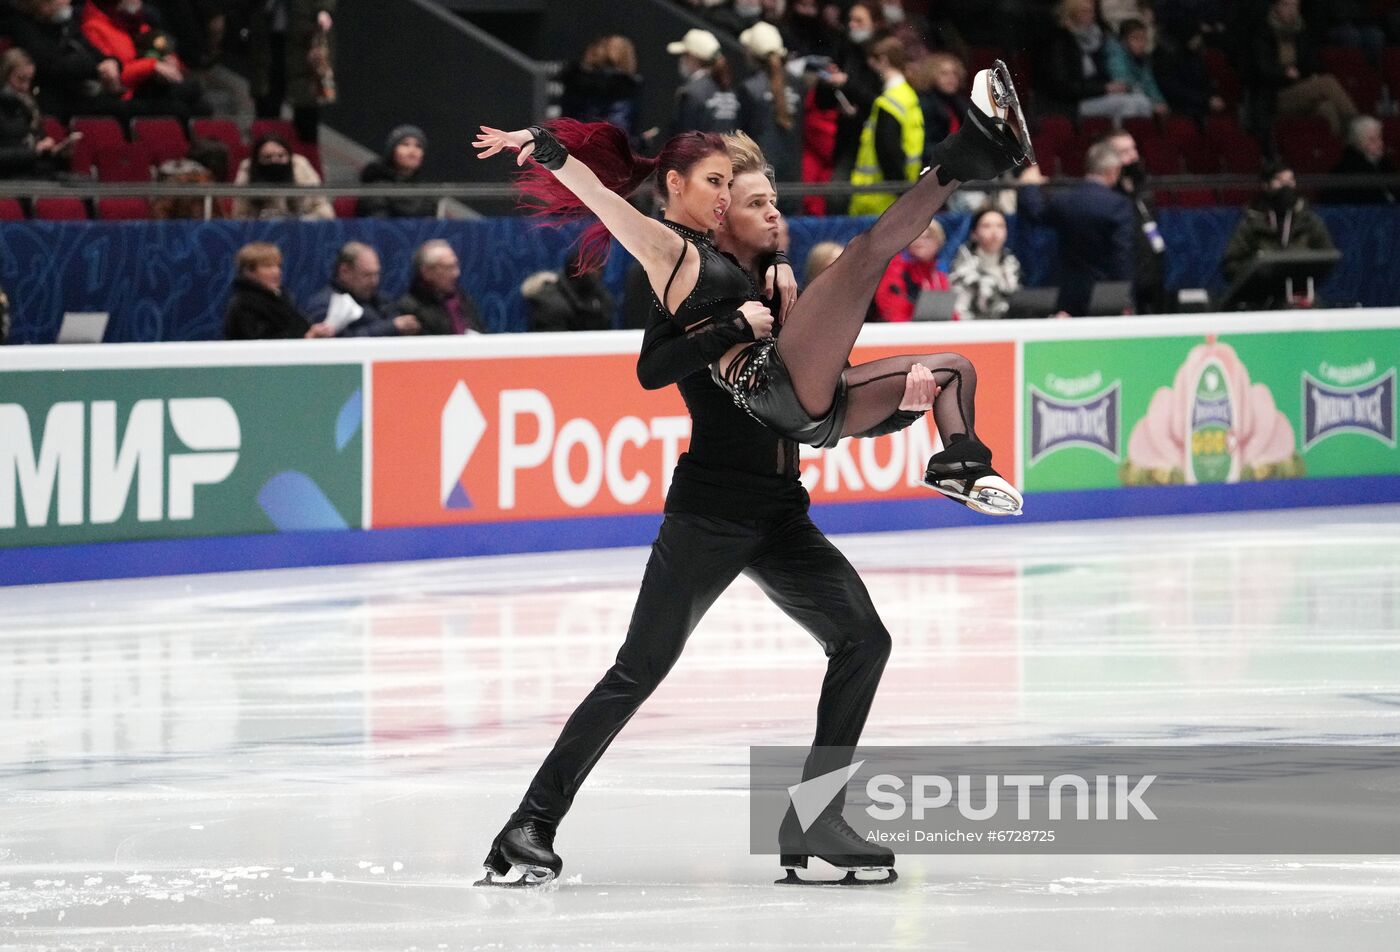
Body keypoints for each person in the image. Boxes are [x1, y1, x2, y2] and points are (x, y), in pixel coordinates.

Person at [472, 64, 1032, 886]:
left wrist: (901, 406)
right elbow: (610, 212)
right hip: (712, 512)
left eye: (749, 188)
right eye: (725, 185)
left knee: (863, 640)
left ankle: (812, 824)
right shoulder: (684, 262)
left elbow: (819, 423)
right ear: (690, 196)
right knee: (639, 669)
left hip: (780, 502)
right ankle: (526, 826)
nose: (746, 197)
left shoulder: (768, 281)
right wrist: (551, 150)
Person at [1018, 142, 1137, 316]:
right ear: (1113, 170)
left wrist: (1029, 187)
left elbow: (1036, 213)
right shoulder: (1118, 205)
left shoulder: (1065, 200)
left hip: (1069, 292)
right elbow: (1122, 255)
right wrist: (1126, 296)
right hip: (1106, 295)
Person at [1222, 160, 1336, 309]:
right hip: (1260, 301)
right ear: (1266, 185)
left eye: (1290, 180)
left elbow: (1327, 257)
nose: (1286, 186)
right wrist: (1258, 272)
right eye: (1279, 181)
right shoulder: (1252, 223)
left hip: (1302, 298)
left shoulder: (1309, 221)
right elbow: (1231, 265)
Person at [79, 0, 210, 119]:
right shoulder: (95, 28)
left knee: (196, 97)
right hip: (127, 93)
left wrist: (172, 63)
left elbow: (163, 53)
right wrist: (152, 66)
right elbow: (116, 75)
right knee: (178, 109)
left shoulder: (140, 26)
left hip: (152, 87)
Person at [1247, 0, 1357, 137]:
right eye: (1286, 5)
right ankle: (1358, 127)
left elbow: (1312, 63)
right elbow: (1261, 68)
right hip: (1274, 95)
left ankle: (1336, 148)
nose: (1292, 10)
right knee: (1327, 83)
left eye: (1295, 5)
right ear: (1275, 7)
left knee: (1326, 107)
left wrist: (1306, 73)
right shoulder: (1262, 32)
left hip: (1300, 89)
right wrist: (1284, 73)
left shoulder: (1301, 30)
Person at [5, 0, 129, 120]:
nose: (68, 2)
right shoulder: (22, 26)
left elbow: (94, 53)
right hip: (52, 98)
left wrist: (111, 63)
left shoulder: (67, 25)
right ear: (42, 3)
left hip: (80, 92)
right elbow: (50, 65)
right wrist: (96, 69)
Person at [1039, 0, 1155, 121]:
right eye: (1085, 11)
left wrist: (1112, 87)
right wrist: (1104, 88)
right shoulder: (1060, 42)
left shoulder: (1097, 38)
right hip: (1073, 102)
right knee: (1130, 105)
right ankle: (1116, 137)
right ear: (1072, 13)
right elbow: (1063, 86)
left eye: (1092, 11)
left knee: (1142, 101)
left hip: (1096, 94)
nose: (1091, 16)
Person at [848, 35, 924, 216]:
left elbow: (888, 150)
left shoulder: (889, 102)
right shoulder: (908, 96)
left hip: (878, 199)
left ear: (883, 60)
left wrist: (901, 191)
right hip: (899, 193)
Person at [736, 22, 803, 210]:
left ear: (752, 54)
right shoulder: (797, 84)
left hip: (761, 178)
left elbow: (741, 137)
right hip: (794, 178)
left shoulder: (749, 88)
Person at [248, 0, 335, 144]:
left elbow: (326, 9)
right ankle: (265, 152)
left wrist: (323, 13)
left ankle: (305, 158)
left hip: (308, 44)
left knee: (307, 114)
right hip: (269, 43)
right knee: (266, 106)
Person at [1103, 128, 1169, 313]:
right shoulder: (1107, 200)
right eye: (1125, 152)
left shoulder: (1143, 192)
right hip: (1122, 290)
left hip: (1152, 284)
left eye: (1133, 149)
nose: (1133, 157)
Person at [304, 242, 422, 338]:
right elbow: (340, 344)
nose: (374, 281)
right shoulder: (325, 305)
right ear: (345, 272)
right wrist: (392, 327)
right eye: (367, 275)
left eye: (376, 274)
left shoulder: (381, 300)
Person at [558, 35, 644, 145]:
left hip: (574, 149)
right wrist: (639, 142)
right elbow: (620, 129)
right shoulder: (626, 88)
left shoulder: (575, 82)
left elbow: (566, 123)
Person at [0, 47, 72, 179]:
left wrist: (55, 152)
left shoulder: (28, 107)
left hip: (33, 176)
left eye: (29, 80)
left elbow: (36, 146)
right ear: (4, 76)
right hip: (10, 182)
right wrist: (34, 151)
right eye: (20, 79)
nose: (25, 87)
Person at [223, 242, 317, 340]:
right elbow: (261, 343)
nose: (276, 271)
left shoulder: (280, 298)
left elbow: (298, 327)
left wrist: (312, 331)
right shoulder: (243, 305)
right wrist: (303, 336)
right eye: (268, 266)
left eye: (278, 266)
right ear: (249, 271)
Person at [232, 132, 333, 221]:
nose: (275, 161)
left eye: (281, 156)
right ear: (258, 160)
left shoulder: (301, 165)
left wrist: (302, 221)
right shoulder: (247, 169)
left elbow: (323, 209)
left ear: (289, 156)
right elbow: (239, 215)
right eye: (268, 157)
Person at [396, 240, 486, 335]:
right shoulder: (411, 308)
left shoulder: (462, 299)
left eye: (456, 266)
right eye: (448, 268)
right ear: (427, 272)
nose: (456, 273)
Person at [949, 206, 1022, 320]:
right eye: (986, 226)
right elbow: (958, 309)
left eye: (1000, 226)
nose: (995, 232)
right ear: (974, 233)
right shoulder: (961, 267)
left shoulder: (1012, 264)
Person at [870, 218, 950, 321]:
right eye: (916, 236)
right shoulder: (894, 270)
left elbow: (951, 317)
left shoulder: (939, 278)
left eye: (928, 237)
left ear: (939, 243)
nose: (920, 241)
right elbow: (894, 315)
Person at [521, 246, 615, 332]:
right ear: (576, 270)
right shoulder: (551, 303)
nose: (596, 273)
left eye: (599, 268)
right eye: (591, 268)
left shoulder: (600, 298)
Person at [668, 28, 740, 135]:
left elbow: (683, 140)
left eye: (684, 55)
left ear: (693, 57)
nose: (681, 60)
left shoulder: (690, 93)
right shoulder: (730, 92)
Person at [356, 125, 438, 219]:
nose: (413, 152)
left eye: (418, 146)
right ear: (392, 151)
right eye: (405, 144)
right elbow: (378, 225)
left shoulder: (426, 191)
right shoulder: (375, 186)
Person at [1104, 17, 1169, 117]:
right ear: (1124, 40)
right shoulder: (1115, 56)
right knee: (1140, 103)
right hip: (1118, 100)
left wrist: (1159, 101)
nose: (1141, 43)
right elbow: (1123, 83)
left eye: (1143, 38)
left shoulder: (1144, 60)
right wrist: (1152, 102)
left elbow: (1150, 84)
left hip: (1140, 100)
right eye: (1135, 38)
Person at [1325, 115, 1397, 205]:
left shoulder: (1385, 164)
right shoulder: (1346, 170)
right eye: (1372, 140)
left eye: (1379, 138)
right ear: (1358, 143)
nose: (1380, 143)